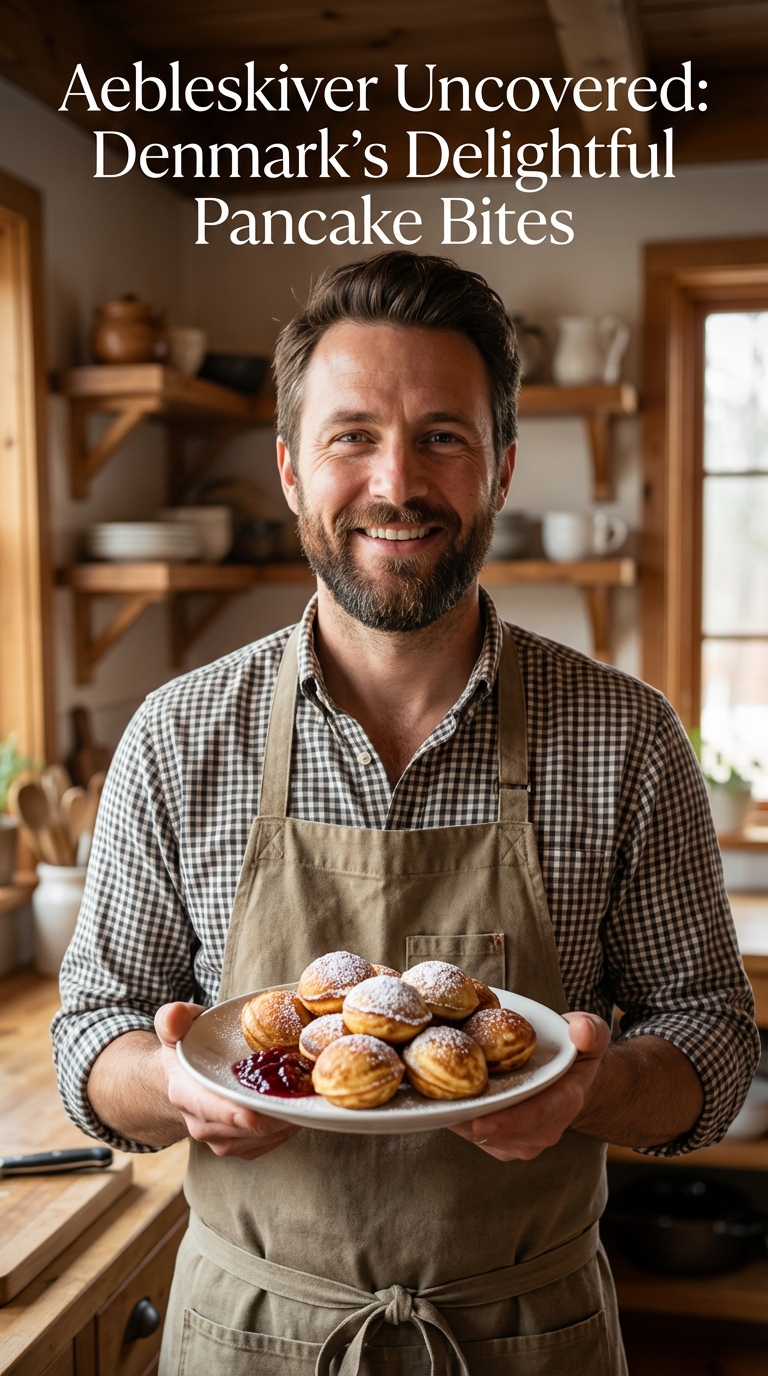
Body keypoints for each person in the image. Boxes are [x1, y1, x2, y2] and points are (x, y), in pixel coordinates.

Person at [53, 252, 758, 1376]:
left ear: (502, 466)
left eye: (442, 434)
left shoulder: (625, 735)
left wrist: (592, 1088)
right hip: (250, 1335)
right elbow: (90, 1032)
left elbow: (714, 1039)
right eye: (351, 436)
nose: (396, 481)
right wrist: (175, 1082)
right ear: (289, 468)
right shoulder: (178, 734)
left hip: (531, 1335)